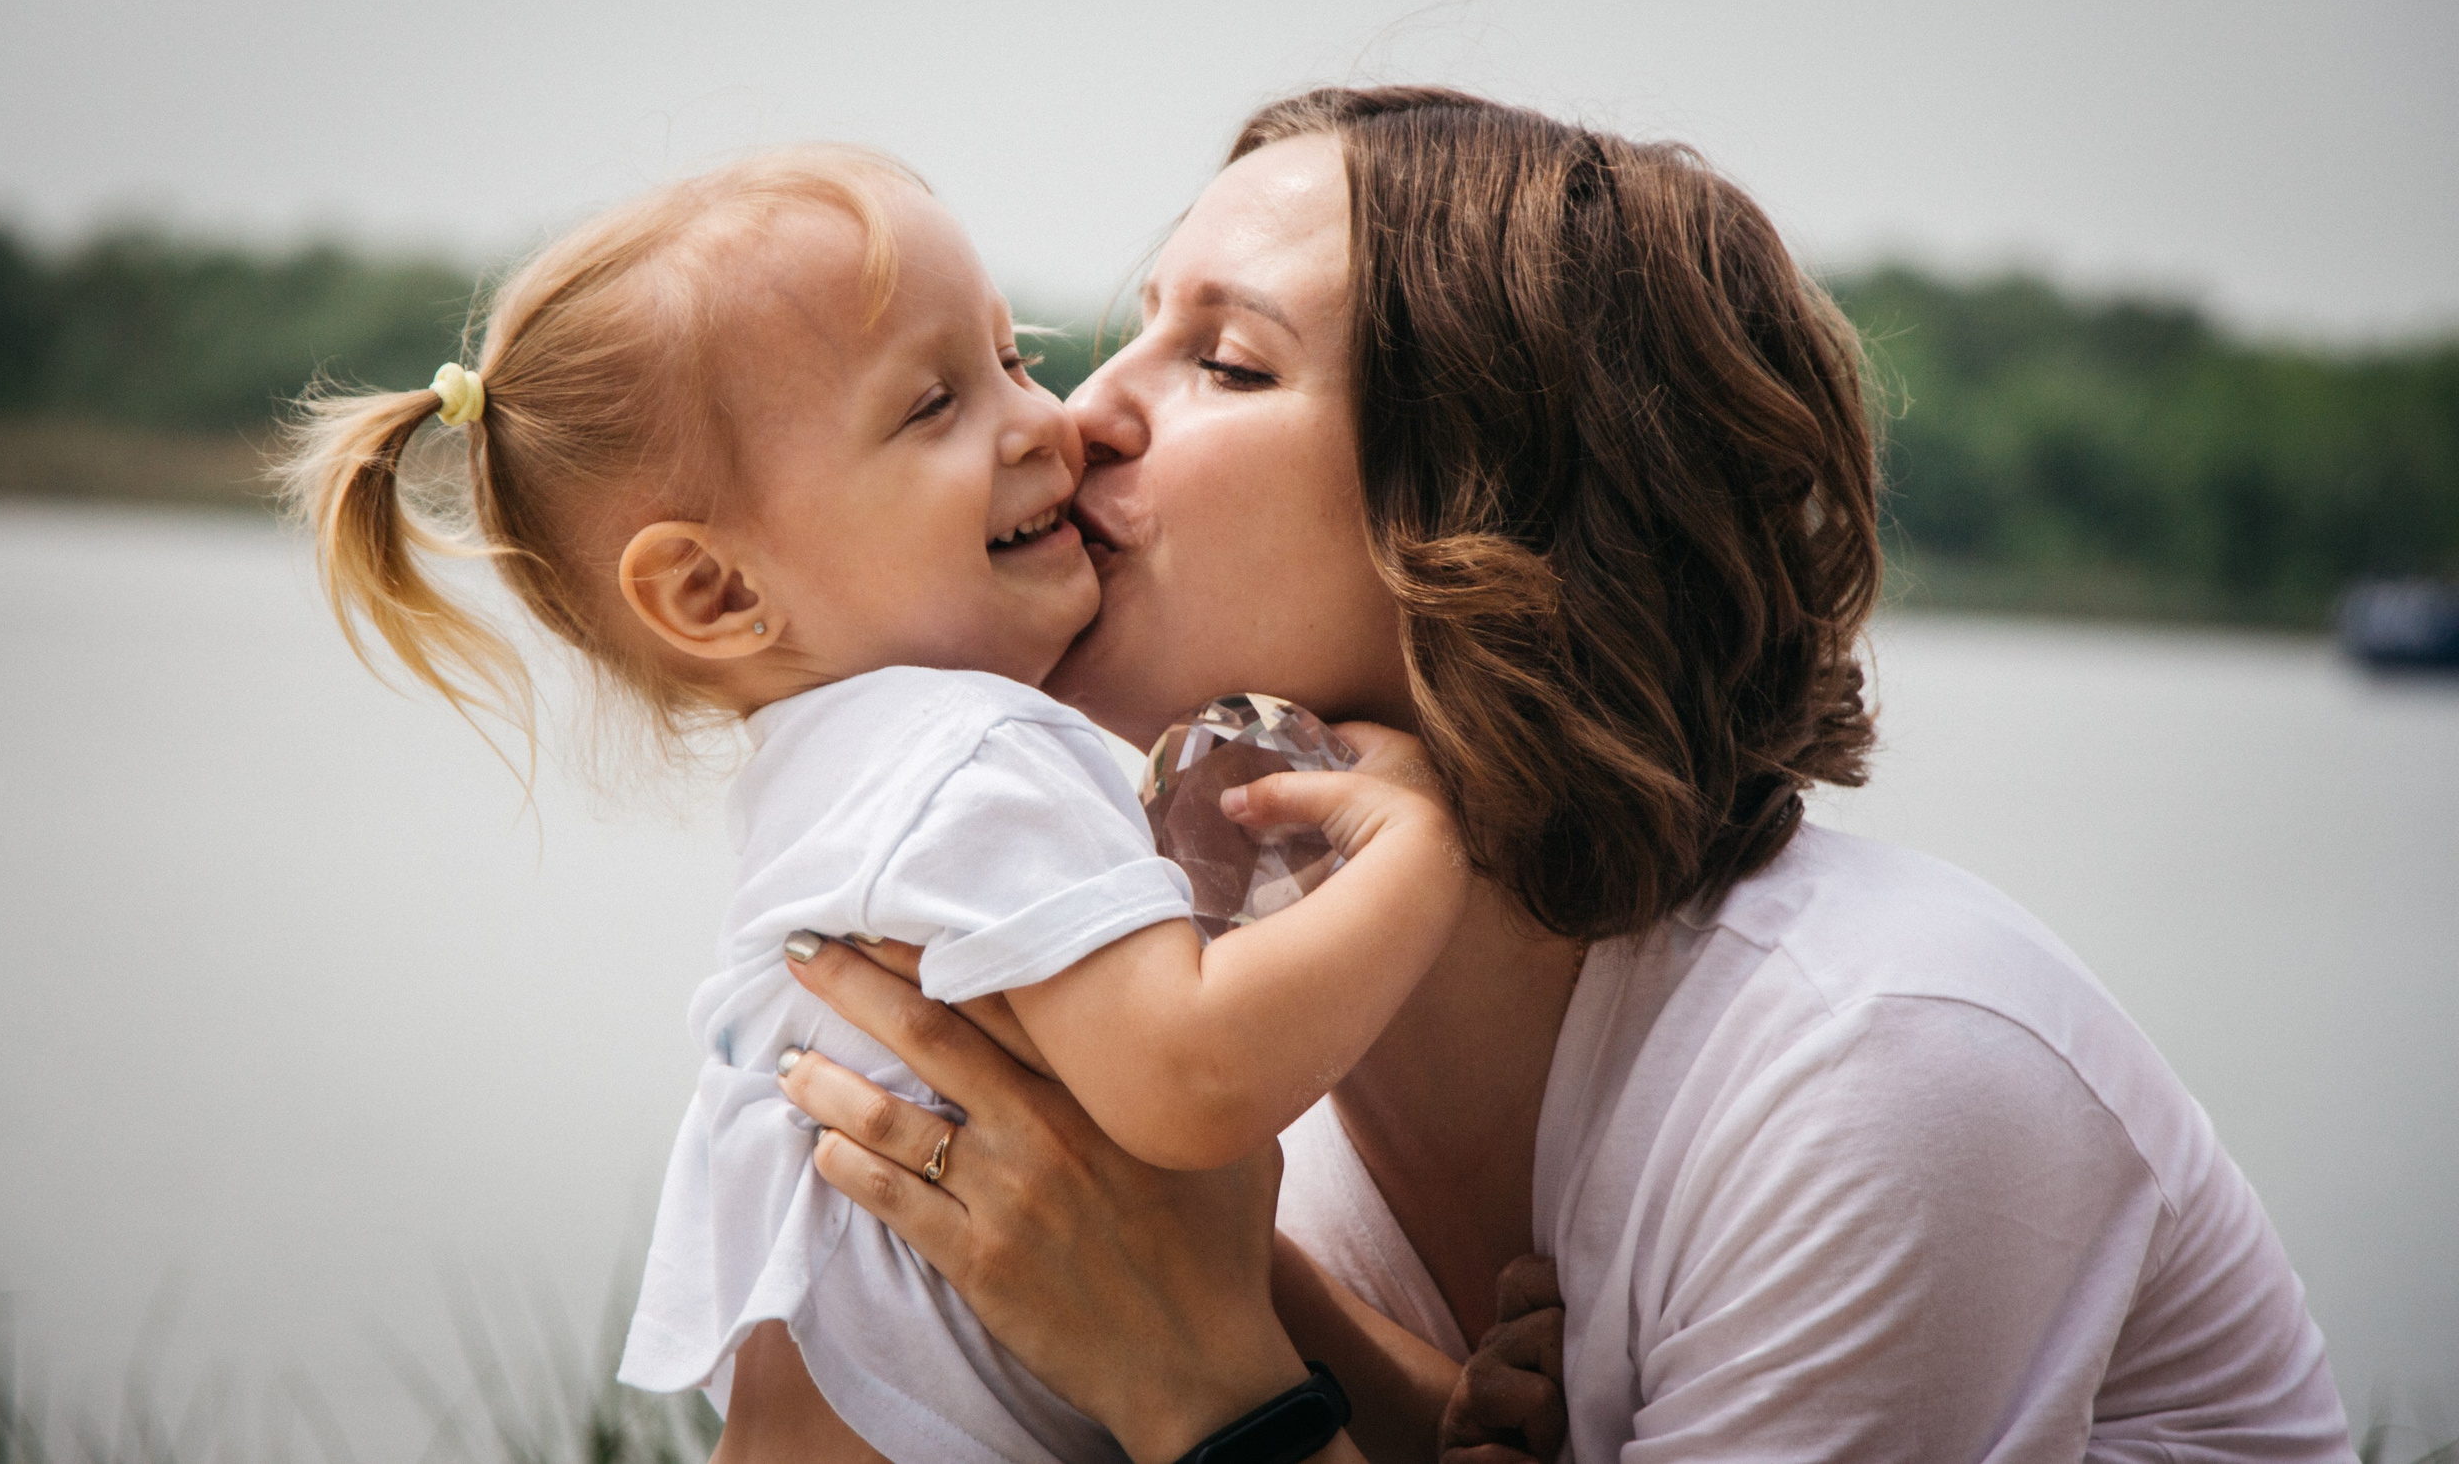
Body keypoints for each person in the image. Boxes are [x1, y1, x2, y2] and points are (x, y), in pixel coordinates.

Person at [767, 87, 2359, 1463]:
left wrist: (1211, 1382)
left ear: (1497, 537)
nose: (1076, 415)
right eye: (1128, 331)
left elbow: (1210, 1394)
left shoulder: (1874, 1068)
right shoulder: (1230, 1036)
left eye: (1227, 364)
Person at [280, 146, 1478, 1463]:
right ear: (715, 595)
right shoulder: (965, 756)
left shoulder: (849, 779)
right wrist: (1423, 846)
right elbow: (1189, 1088)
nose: (1047, 422)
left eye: (1013, 361)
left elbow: (1168, 1211)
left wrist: (1426, 1407)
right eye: (931, 408)